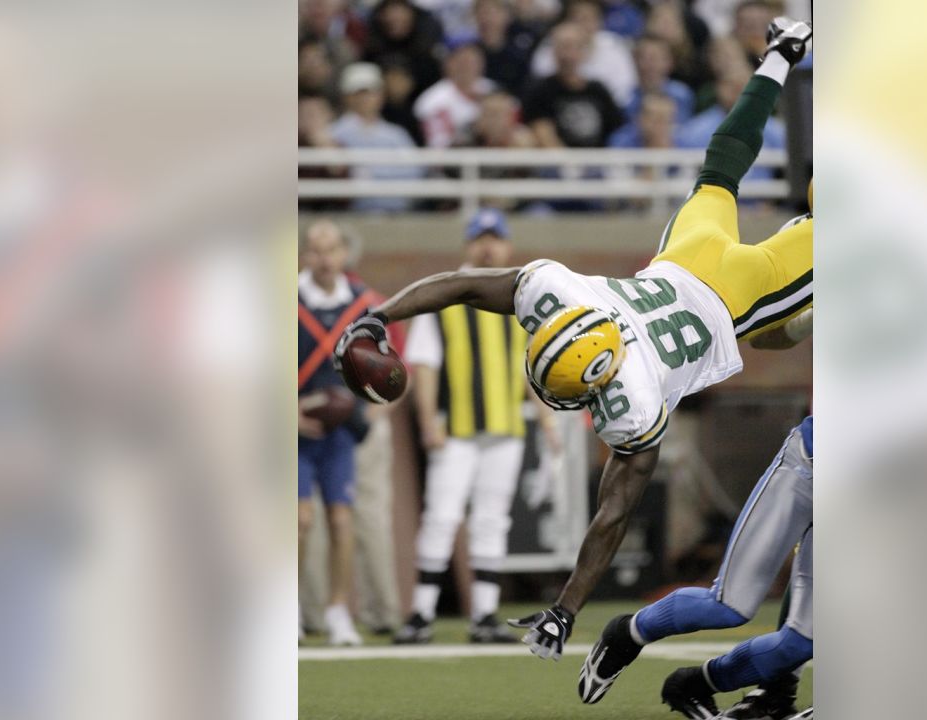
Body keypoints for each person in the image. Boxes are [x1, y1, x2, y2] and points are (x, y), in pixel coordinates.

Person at [336, 18, 814, 663]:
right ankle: (782, 55)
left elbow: (611, 514)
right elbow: (460, 283)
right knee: (722, 165)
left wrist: (566, 610)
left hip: (739, 301)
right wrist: (378, 317)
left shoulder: (633, 396)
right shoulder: (566, 298)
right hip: (685, 258)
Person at [394, 208, 558, 644]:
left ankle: (484, 616)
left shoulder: (521, 297)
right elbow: (424, 363)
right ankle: (421, 616)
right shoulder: (446, 294)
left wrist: (547, 419)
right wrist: (429, 420)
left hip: (504, 427)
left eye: (495, 237)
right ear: (468, 245)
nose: (488, 245)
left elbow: (531, 368)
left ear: (506, 245)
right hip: (458, 427)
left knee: (492, 519)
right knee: (442, 516)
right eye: (480, 238)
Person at [579, 416, 814, 719]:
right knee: (729, 605)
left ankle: (694, 685)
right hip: (806, 468)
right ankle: (626, 634)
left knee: (799, 644)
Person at [299, 219, 382, 646]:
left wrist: (374, 396)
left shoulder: (363, 304)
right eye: (316, 250)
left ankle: (337, 610)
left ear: (344, 254)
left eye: (331, 249)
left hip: (340, 432)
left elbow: (383, 364)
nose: (324, 258)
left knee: (341, 517)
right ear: (304, 255)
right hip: (295, 430)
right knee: (298, 519)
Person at [330, 63, 423, 212]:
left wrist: (371, 174)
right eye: (358, 93)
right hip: (350, 215)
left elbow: (414, 172)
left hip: (396, 215)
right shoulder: (334, 133)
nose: (364, 99)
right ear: (346, 97)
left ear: (381, 96)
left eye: (370, 93)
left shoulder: (396, 134)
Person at [522, 22, 624, 148]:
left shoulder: (598, 90)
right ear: (554, 51)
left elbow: (617, 130)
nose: (567, 55)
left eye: (572, 47)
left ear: (584, 51)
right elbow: (544, 135)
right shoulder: (540, 90)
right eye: (562, 47)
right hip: (557, 164)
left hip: (599, 162)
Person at [528, 0, 637, 107]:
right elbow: (540, 79)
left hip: (605, 109)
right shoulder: (553, 42)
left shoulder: (614, 46)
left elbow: (624, 88)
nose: (582, 24)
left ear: (599, 21)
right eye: (576, 18)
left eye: (587, 18)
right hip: (557, 106)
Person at [413, 40, 495, 148]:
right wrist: (475, 130)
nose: (468, 67)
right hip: (457, 160)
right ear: (448, 64)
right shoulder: (434, 100)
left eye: (473, 61)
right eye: (463, 62)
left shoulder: (493, 90)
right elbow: (439, 147)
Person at [624, 34, 695, 124]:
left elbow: (683, 130)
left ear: (669, 62)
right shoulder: (626, 96)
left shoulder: (681, 95)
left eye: (654, 58)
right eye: (641, 57)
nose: (647, 64)